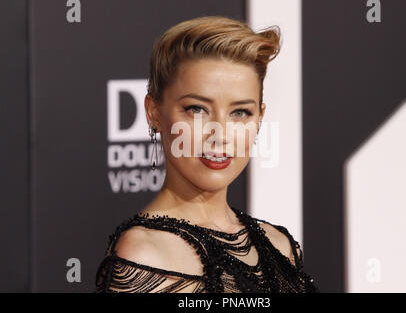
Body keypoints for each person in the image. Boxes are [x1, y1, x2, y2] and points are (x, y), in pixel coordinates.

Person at [95, 15, 319, 293]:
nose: (220, 135)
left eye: (240, 113)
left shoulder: (280, 245)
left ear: (260, 118)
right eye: (197, 109)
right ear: (154, 112)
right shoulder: (145, 256)